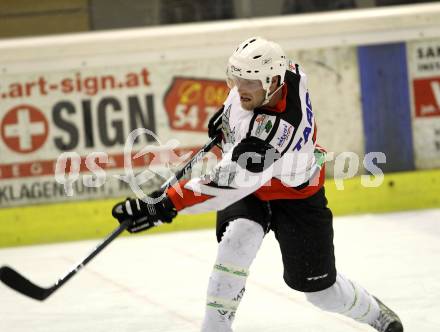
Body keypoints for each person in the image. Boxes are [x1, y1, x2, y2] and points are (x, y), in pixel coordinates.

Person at [112, 37, 403, 332]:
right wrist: (227, 118)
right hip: (253, 188)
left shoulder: (275, 135)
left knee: (321, 293)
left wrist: (164, 205)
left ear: (272, 82)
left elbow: (225, 185)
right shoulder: (280, 74)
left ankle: (375, 313)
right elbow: (244, 92)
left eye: (248, 83)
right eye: (236, 79)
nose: (239, 89)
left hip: (295, 196)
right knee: (239, 236)